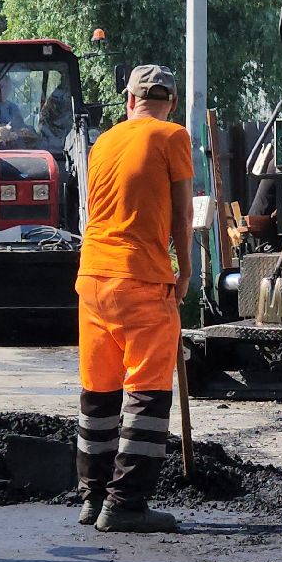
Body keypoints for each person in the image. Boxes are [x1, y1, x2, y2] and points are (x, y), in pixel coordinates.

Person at [74, 64, 193, 533]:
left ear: (129, 101)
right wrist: (184, 273)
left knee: (99, 393)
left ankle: (92, 497)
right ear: (172, 103)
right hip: (141, 281)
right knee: (146, 393)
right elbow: (182, 215)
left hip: (92, 278)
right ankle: (125, 504)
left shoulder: (104, 141)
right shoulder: (173, 136)